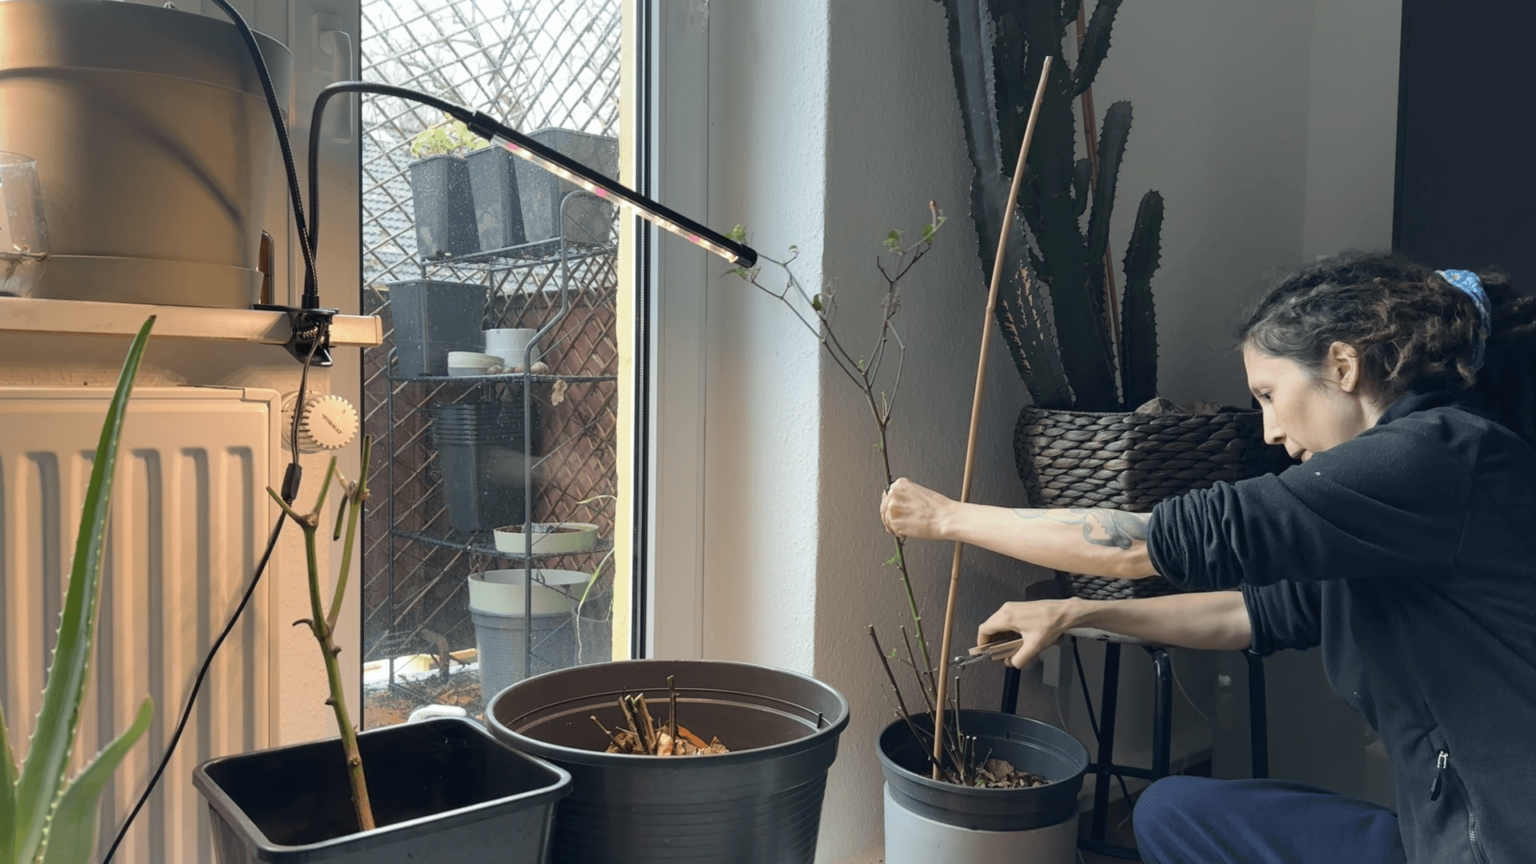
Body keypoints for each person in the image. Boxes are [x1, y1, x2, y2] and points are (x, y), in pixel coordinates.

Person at [879, 253, 1536, 864]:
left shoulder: (1435, 456)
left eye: (1270, 395)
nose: (1271, 430)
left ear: (1342, 366)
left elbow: (1146, 543)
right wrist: (1075, 611)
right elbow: (1252, 613)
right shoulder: (1388, 509)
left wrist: (949, 518)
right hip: (1437, 841)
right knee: (1174, 811)